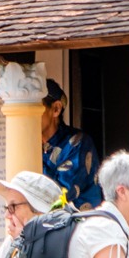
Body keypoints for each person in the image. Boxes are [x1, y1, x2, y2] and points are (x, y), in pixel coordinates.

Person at [41, 78, 102, 209]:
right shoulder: (32, 147)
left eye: (36, 107)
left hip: (81, 225)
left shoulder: (77, 142)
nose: (29, 114)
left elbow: (60, 195)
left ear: (56, 109)